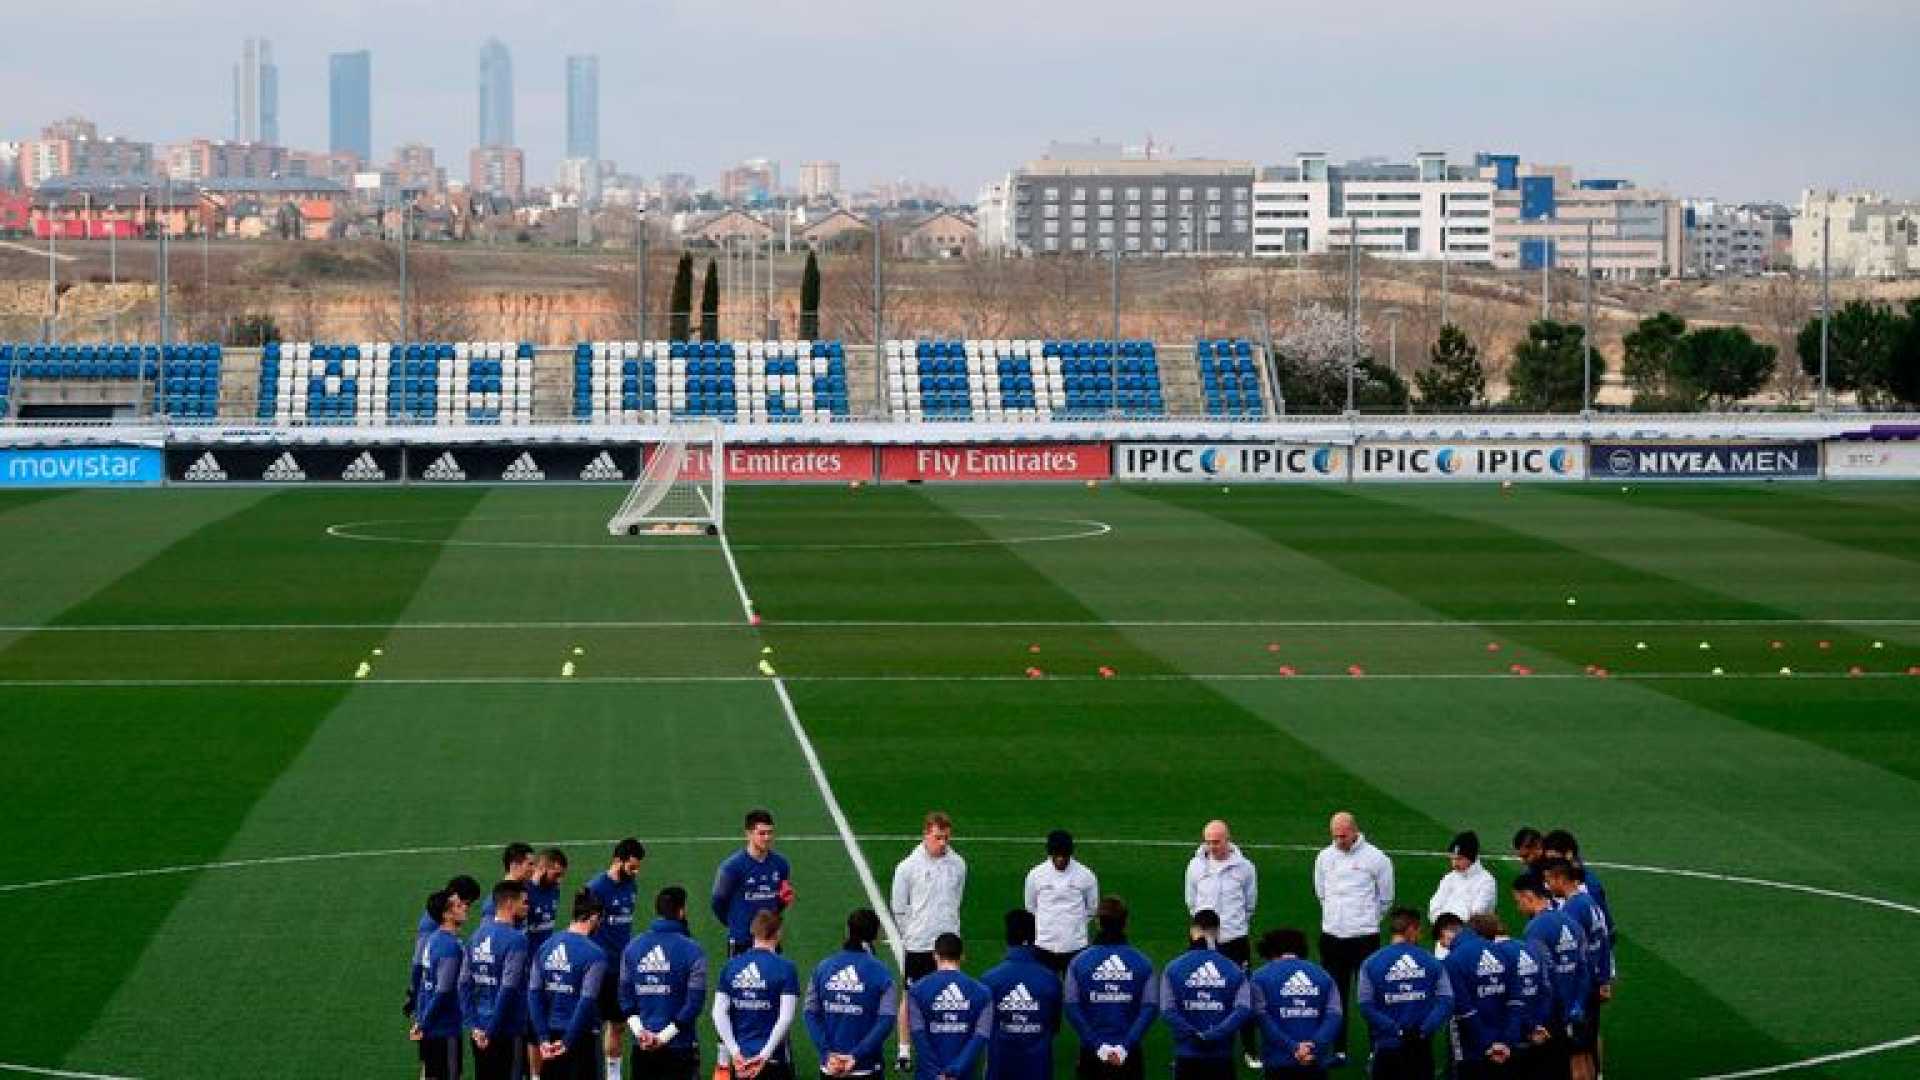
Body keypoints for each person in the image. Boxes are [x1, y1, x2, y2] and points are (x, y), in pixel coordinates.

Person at [1313, 812, 1393, 1058]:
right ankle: (1338, 1049)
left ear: (1354, 831)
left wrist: (1365, 920)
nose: (1339, 840)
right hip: (1332, 937)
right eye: (1334, 836)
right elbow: (1321, 892)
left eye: (1343, 836)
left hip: (1364, 938)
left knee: (1371, 994)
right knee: (1335, 995)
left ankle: (1374, 1046)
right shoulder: (1325, 857)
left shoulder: (1377, 859)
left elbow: (1386, 898)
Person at [892, 812, 968, 1073]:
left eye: (946, 837)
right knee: (911, 996)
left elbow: (957, 898)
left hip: (948, 943)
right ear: (926, 834)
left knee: (949, 996)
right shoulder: (907, 867)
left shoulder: (958, 864)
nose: (943, 843)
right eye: (938, 837)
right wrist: (912, 932)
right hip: (919, 943)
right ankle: (904, 1048)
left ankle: (945, 1043)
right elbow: (899, 907)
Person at [1183, 820, 1259, 1067]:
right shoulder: (1195, 866)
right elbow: (1191, 902)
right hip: (1202, 941)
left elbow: (1250, 904)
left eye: (1216, 841)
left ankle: (1250, 1050)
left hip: (1234, 941)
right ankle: (1192, 1046)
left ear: (1228, 839)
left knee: (1243, 994)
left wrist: (1233, 926)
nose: (1212, 846)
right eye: (1208, 841)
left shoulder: (1245, 868)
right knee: (1199, 994)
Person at [1063, 897, 1159, 1080]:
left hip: (1091, 1054)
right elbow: (1150, 1006)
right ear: (1126, 923)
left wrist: (1098, 1046)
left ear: (1098, 923)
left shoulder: (1078, 962)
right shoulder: (1143, 963)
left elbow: (1071, 1006)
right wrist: (1125, 1046)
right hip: (1129, 1055)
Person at [620, 886, 708, 1080]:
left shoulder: (632, 948)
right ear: (681, 911)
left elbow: (626, 999)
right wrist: (663, 1038)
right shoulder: (694, 951)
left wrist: (641, 1033)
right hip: (680, 1047)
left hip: (642, 1047)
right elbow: (694, 1004)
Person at [1354, 908, 1452, 1080]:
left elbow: (1365, 1005)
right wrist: (1423, 1030)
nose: (1420, 935)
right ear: (1411, 929)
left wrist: (1395, 1030)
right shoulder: (1432, 961)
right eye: (1419, 930)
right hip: (1421, 1047)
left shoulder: (1371, 963)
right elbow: (1446, 1001)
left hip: (1386, 1046)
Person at [806, 908, 898, 1080]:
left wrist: (827, 1054)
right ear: (875, 936)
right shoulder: (883, 973)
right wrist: (857, 1055)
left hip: (830, 1068)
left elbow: (810, 1013)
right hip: (867, 1068)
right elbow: (887, 1019)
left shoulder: (822, 968)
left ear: (847, 931)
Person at [1160, 910, 1252, 1080]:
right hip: (1221, 1056)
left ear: (1192, 931)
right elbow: (1244, 1009)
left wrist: (1194, 1035)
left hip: (1187, 1055)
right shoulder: (1234, 969)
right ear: (1217, 932)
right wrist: (1214, 1035)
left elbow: (1167, 1010)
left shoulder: (1173, 968)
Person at [529, 889, 610, 1080]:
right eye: (600, 920)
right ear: (593, 917)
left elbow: (533, 994)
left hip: (550, 1038)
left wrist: (542, 1038)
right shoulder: (595, 954)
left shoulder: (546, 946)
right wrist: (568, 1042)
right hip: (581, 1038)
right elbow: (587, 1001)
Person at [1541, 862, 1611, 1080]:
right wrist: (1604, 979)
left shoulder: (1572, 909)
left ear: (1561, 879)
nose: (1548, 885)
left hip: (1579, 991)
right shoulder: (1590, 902)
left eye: (1550, 880)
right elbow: (1604, 942)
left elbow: (1572, 954)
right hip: (1592, 986)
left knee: (1575, 1055)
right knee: (1586, 1052)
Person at [714, 911, 803, 1080]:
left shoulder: (731, 966)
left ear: (753, 932)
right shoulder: (786, 968)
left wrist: (735, 1052)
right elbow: (785, 1018)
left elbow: (718, 1013)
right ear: (778, 933)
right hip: (775, 1059)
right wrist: (764, 1055)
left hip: (741, 1061)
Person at [1514, 873, 1586, 1080]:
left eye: (1519, 901)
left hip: (1549, 1012)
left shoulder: (1535, 928)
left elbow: (1542, 977)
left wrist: (1537, 1019)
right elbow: (1583, 968)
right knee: (1564, 1067)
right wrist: (1578, 1003)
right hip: (1571, 1009)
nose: (1519, 908)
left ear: (1529, 896)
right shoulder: (1572, 923)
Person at [1249, 928, 1342, 1078]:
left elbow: (1261, 1018)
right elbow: (1334, 1015)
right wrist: (1313, 1046)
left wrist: (1294, 1047)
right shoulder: (1323, 975)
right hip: (1315, 1061)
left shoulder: (1259, 977)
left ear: (1270, 951)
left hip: (1278, 1061)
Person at [590, 838, 648, 1080]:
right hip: (598, 968)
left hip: (621, 967)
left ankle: (613, 1076)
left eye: (638, 867)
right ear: (617, 861)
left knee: (617, 1024)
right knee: (592, 1026)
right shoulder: (596, 888)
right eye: (631, 867)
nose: (636, 872)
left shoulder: (631, 885)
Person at [463, 880, 533, 1080]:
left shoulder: (476, 936)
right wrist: (491, 1030)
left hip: (479, 1031)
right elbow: (508, 987)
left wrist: (475, 1026)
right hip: (508, 1029)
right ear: (510, 903)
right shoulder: (516, 939)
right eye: (524, 902)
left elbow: (463, 983)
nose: (527, 907)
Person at [982, 909, 1063, 1080]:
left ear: (1007, 937)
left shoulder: (989, 980)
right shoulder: (1051, 980)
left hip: (1000, 1067)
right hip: (1038, 1068)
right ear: (1034, 938)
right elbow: (1054, 1026)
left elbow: (984, 1027)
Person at [1440, 913, 1517, 1078]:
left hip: (1470, 1051)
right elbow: (1515, 1001)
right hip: (1503, 1047)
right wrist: (1505, 1042)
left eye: (1442, 940)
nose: (1442, 944)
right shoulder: (1504, 953)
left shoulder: (1452, 960)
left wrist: (1487, 1044)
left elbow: (1464, 1009)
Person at [908, 933, 994, 1080]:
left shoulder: (916, 990)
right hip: (965, 1074)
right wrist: (956, 1070)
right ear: (962, 956)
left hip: (928, 1075)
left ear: (935, 955)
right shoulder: (983, 993)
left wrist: (936, 1073)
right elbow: (981, 1035)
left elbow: (918, 1034)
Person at [714, 809, 795, 957]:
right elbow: (718, 902)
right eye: (762, 833)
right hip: (741, 940)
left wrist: (782, 904)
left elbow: (780, 900)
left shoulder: (781, 864)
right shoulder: (731, 867)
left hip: (770, 939)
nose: (767, 837)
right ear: (749, 834)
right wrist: (735, 923)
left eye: (770, 832)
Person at [413, 887, 472, 1080]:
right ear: (446, 914)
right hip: (445, 1029)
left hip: (432, 1028)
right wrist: (423, 1023)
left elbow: (423, 985)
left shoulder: (433, 939)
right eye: (458, 905)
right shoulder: (450, 946)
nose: (465, 906)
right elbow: (443, 991)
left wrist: (421, 1020)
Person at [1024, 830, 1098, 976]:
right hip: (1044, 946)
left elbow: (1092, 908)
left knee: (1075, 993)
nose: (1060, 860)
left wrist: (1074, 928)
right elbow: (1031, 906)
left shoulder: (1086, 876)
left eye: (1064, 856)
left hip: (1076, 947)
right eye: (1056, 856)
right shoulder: (1035, 875)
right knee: (1044, 991)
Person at [1490, 913, 1555, 1080]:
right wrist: (1537, 1024)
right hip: (1535, 1034)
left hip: (1508, 1038)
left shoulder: (1497, 954)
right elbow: (1546, 989)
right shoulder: (1529, 949)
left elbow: (1505, 998)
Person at [411, 876, 484, 1022]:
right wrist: (414, 995)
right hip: (441, 1017)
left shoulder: (441, 931)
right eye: (465, 903)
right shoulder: (434, 930)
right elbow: (420, 963)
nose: (467, 908)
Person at [1540, 833, 1614, 944]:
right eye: (1548, 860)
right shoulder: (1550, 880)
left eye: (1554, 859)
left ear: (1569, 854)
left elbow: (1605, 928)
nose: (1551, 865)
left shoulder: (1590, 886)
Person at [1427, 832, 1496, 926]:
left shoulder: (1487, 881)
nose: (1454, 863)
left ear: (1471, 857)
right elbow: (1434, 907)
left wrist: (1449, 925)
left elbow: (1476, 914)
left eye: (1459, 859)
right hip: (1445, 932)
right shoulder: (1449, 878)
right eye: (1452, 858)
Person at [480, 843, 538, 926]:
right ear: (514, 866)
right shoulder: (493, 902)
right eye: (530, 864)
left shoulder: (527, 889)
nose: (534, 869)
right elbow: (488, 934)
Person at [527, 849, 571, 953]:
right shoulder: (524, 892)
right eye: (556, 875)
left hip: (544, 955)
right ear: (542, 868)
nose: (559, 880)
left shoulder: (554, 889)